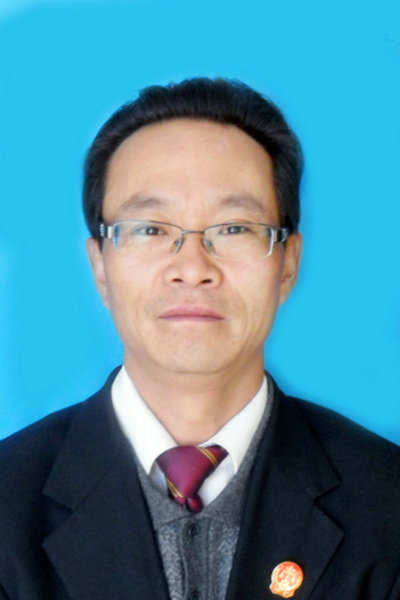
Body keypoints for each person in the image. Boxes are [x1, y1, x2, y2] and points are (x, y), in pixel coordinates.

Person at [0, 78, 399, 600]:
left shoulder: (387, 502)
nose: (192, 268)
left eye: (234, 228)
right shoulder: (8, 504)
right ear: (100, 266)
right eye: (150, 229)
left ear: (287, 265)